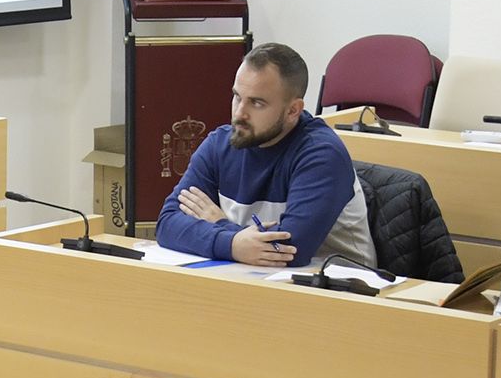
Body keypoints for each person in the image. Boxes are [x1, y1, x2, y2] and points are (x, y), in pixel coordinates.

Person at [152, 42, 377, 271]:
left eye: (257, 103)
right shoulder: (219, 145)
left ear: (293, 111)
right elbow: (168, 223)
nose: (239, 113)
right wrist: (233, 243)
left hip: (340, 292)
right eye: (237, 97)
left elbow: (289, 250)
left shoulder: (321, 155)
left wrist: (221, 225)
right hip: (251, 279)